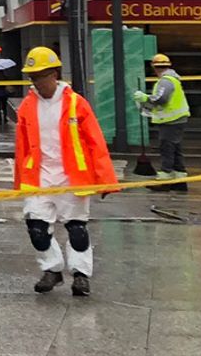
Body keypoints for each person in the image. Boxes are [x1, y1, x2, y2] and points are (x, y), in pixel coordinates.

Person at [13, 45, 117, 297]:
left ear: (54, 73)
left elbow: (95, 142)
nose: (35, 82)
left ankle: (81, 276)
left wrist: (106, 180)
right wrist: (20, 181)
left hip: (73, 178)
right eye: (32, 77)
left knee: (77, 230)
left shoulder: (76, 104)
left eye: (38, 76)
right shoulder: (27, 106)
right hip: (39, 178)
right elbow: (22, 147)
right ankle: (52, 270)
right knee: (36, 229)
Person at [135, 53, 190, 186]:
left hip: (171, 120)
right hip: (176, 119)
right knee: (175, 147)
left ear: (154, 67)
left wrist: (145, 98)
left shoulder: (166, 81)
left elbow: (161, 99)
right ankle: (179, 176)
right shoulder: (171, 79)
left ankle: (166, 175)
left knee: (167, 147)